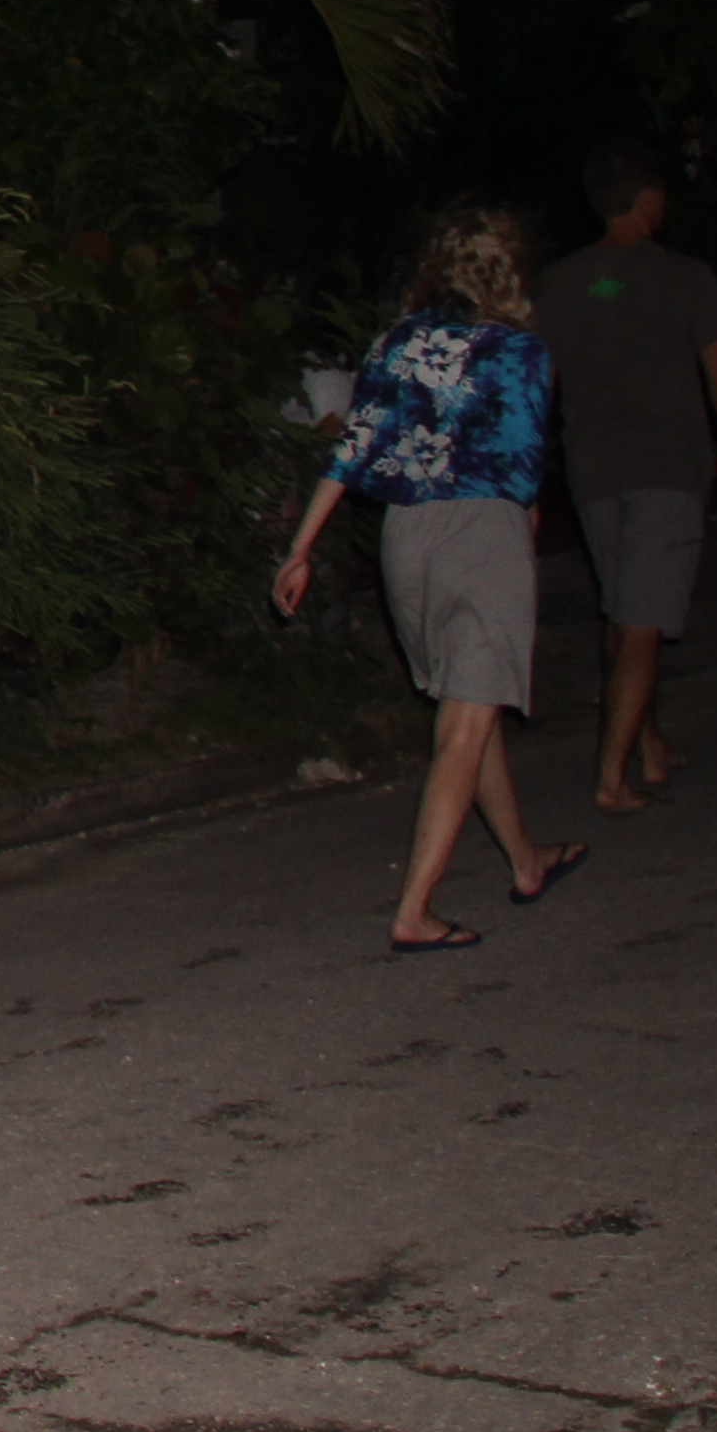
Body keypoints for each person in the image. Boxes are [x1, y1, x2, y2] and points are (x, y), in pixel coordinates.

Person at [272, 200, 585, 952]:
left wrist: (300, 548)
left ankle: (526, 860)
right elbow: (524, 471)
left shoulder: (396, 342)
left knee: (466, 710)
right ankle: (414, 912)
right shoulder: (523, 352)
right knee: (466, 722)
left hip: (407, 539)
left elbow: (353, 445)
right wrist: (520, 540)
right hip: (482, 535)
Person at [530, 141, 717, 812]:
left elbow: (541, 384)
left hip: (593, 466)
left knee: (626, 609)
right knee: (641, 620)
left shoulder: (561, 281)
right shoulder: (684, 276)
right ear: (649, 199)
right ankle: (611, 778)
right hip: (664, 465)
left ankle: (649, 743)